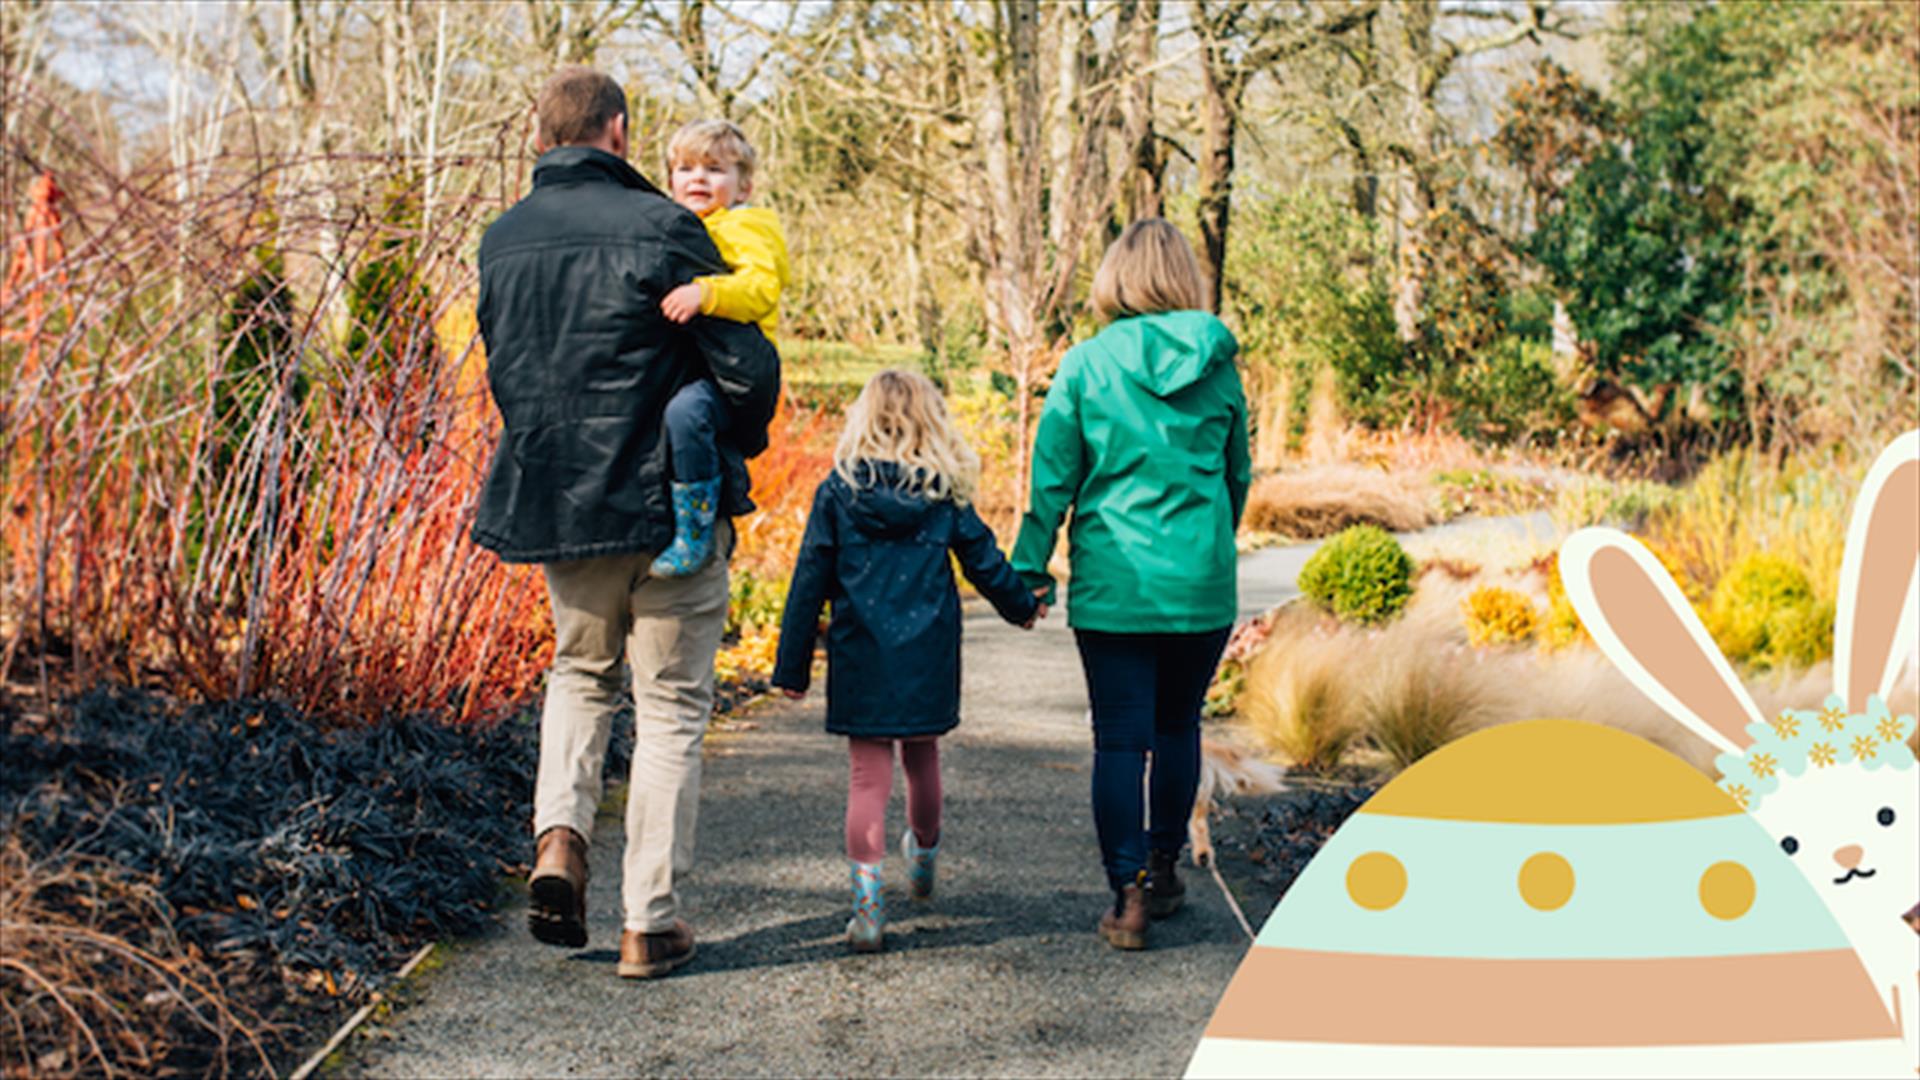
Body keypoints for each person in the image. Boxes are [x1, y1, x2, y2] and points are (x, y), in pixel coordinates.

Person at [471, 67, 780, 980]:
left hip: (561, 504)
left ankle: (560, 839)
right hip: (665, 498)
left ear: (544, 136)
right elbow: (746, 364)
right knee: (675, 706)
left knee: (578, 673)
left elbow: (506, 372)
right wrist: (733, 437)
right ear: (617, 131)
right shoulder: (662, 226)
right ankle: (649, 920)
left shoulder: (502, 241)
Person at [1010, 219, 1250, 951]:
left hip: (1116, 583)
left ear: (1115, 277)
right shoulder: (1220, 365)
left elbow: (1052, 479)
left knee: (1119, 741)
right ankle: (1165, 868)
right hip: (1199, 584)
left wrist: (1028, 567)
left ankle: (1128, 898)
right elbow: (1237, 475)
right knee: (1178, 726)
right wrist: (1210, 543)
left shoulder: (1085, 365)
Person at [770, 370, 1041, 953]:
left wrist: (791, 667)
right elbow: (985, 562)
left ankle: (867, 909)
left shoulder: (838, 492)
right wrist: (1021, 607)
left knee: (868, 777)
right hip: (926, 652)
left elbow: (808, 579)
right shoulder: (943, 492)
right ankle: (923, 853)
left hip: (861, 651)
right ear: (930, 422)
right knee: (923, 758)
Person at [652, 119, 792, 577]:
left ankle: (694, 528)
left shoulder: (744, 224)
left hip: (738, 368)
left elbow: (760, 288)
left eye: (714, 170)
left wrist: (705, 294)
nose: (698, 179)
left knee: (686, 416)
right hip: (703, 363)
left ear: (744, 185)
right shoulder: (680, 226)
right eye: (685, 168)